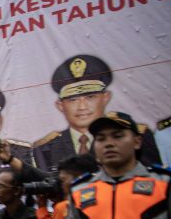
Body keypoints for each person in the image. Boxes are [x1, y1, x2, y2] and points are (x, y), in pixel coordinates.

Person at [33, 54, 161, 172]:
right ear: (60, 105)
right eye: (73, 100)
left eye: (90, 97)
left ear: (106, 97)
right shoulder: (47, 147)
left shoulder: (134, 134)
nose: (82, 107)